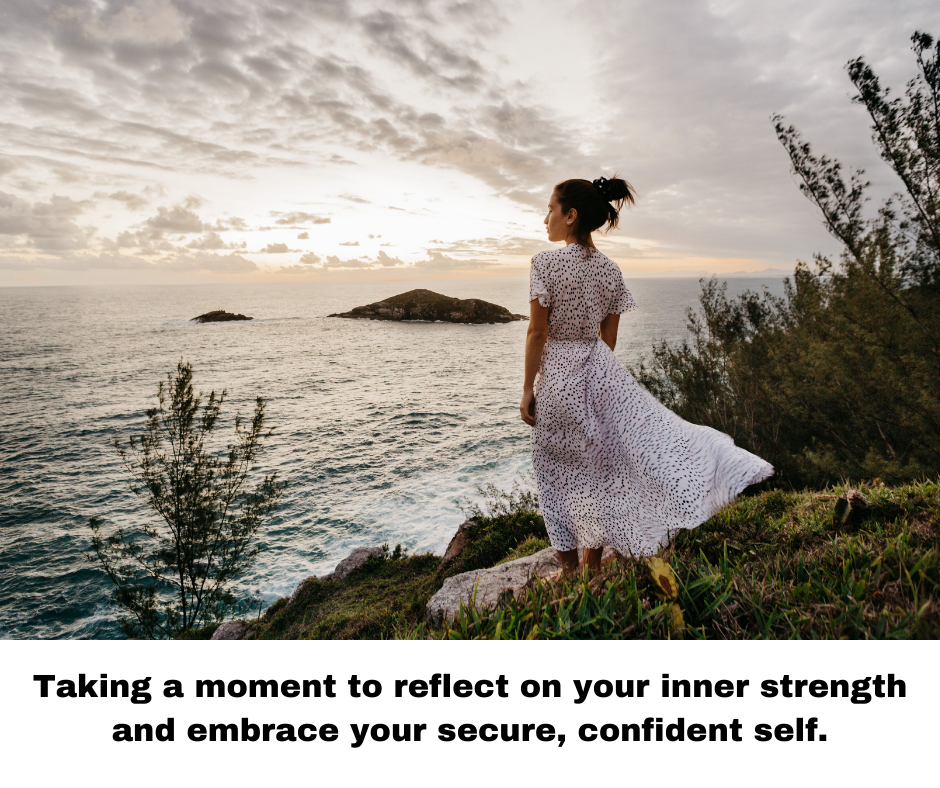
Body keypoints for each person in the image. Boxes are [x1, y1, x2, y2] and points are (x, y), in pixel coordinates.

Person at [520, 175, 773, 576]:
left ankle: (570, 571)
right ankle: (592, 566)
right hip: (598, 374)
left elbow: (537, 332)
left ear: (570, 216)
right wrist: (596, 379)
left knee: (557, 475)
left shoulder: (544, 263)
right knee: (600, 470)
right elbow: (608, 339)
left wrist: (526, 389)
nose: (544, 217)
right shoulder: (611, 271)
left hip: (559, 380)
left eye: (550, 209)